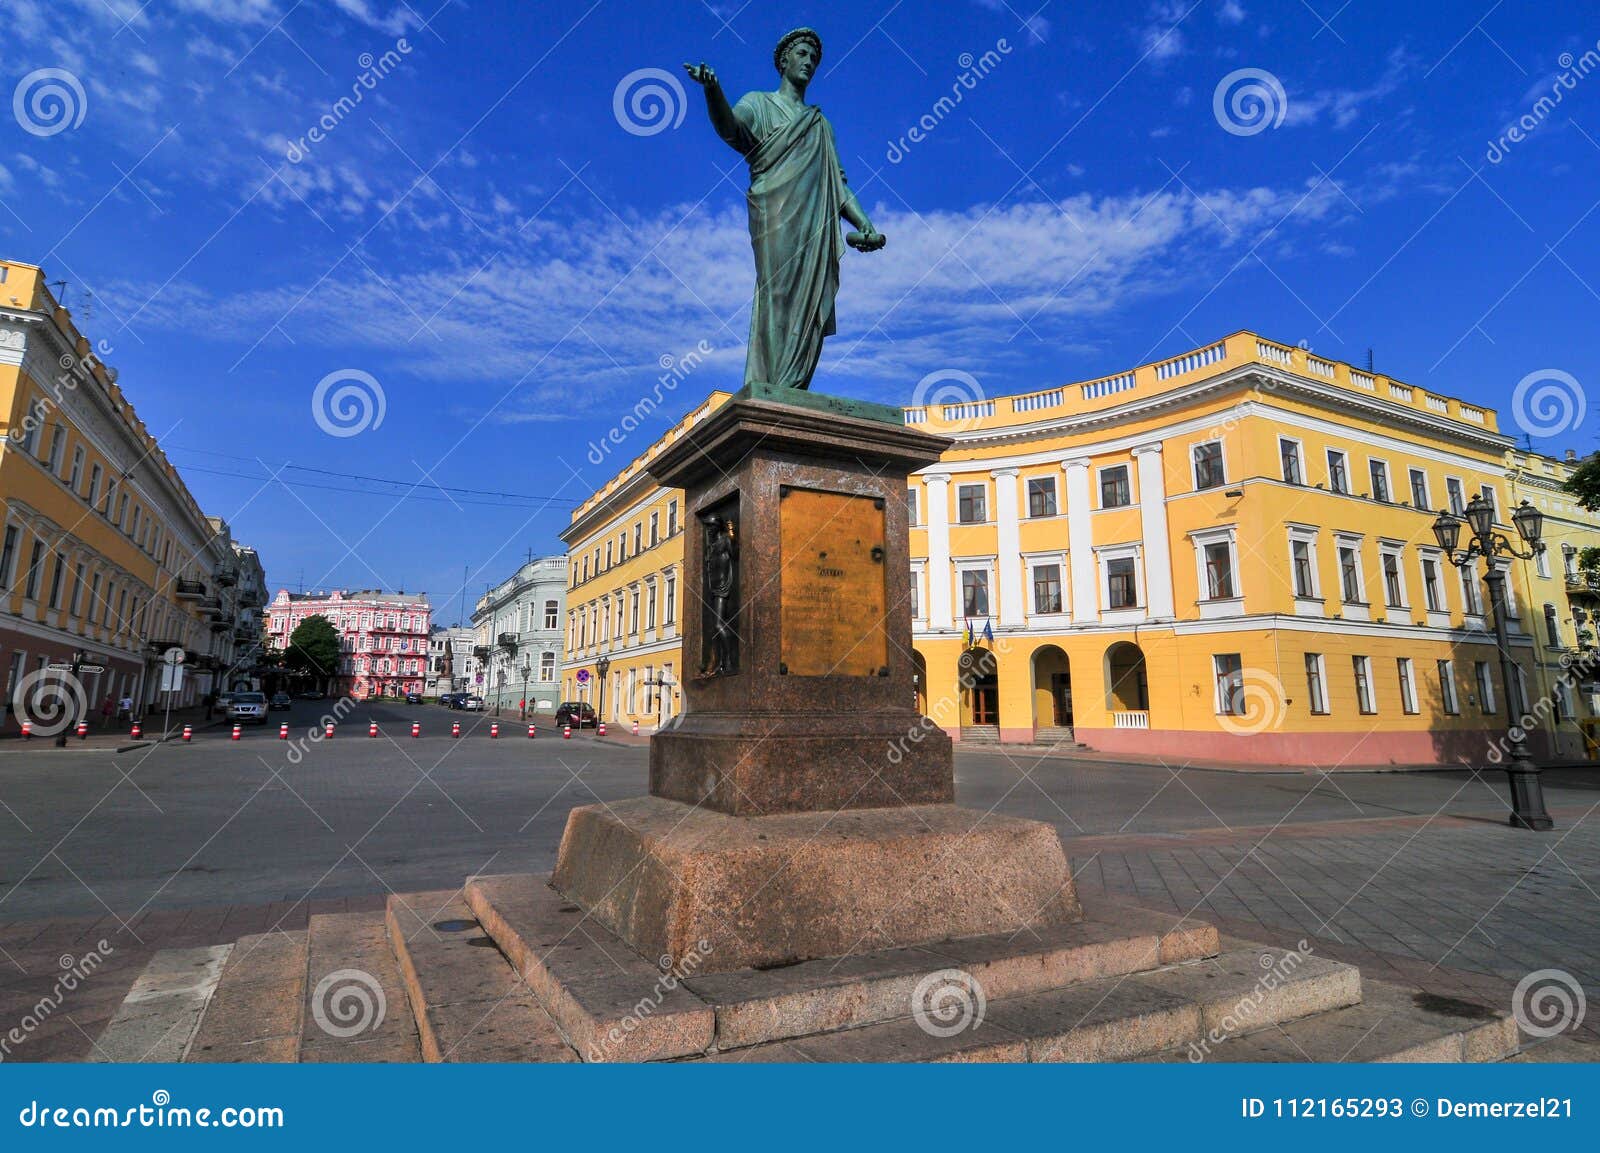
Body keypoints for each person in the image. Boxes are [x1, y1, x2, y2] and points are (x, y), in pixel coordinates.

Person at [684, 27, 885, 391]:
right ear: (783, 60)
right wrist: (713, 90)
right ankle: (771, 386)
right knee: (776, 292)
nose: (809, 62)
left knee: (808, 303)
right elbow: (730, 129)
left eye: (814, 58)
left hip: (815, 223)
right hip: (775, 213)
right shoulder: (758, 103)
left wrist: (865, 223)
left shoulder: (820, 124)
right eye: (802, 54)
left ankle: (792, 387)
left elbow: (837, 185)